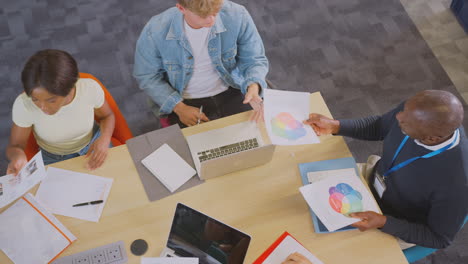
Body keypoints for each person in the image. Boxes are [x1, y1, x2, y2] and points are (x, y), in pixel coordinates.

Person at [304, 90, 468, 249]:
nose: (398, 116)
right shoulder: (414, 112)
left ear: (431, 138)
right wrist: (336, 126)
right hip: (372, 180)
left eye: (405, 123)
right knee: (304, 203)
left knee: (328, 248)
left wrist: (384, 222)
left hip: (398, 223)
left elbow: (438, 238)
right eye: (403, 110)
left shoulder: (458, 182)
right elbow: (380, 126)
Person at [133, 0, 268, 128]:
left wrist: (254, 86)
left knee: (257, 139)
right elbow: (147, 76)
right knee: (198, 149)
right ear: (181, 8)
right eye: (203, 15)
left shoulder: (237, 14)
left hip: (232, 89)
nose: (211, 20)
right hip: (185, 101)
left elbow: (254, 58)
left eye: (215, 12)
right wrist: (179, 108)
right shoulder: (155, 30)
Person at [6, 49, 115, 174]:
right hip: (53, 156)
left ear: (70, 89)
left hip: (93, 144)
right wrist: (17, 156)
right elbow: (15, 146)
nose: (42, 107)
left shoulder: (89, 89)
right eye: (35, 99)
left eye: (51, 100)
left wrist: (105, 139)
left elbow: (107, 116)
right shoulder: (24, 104)